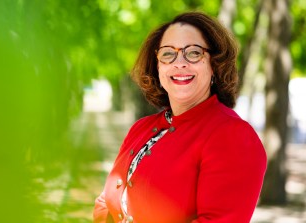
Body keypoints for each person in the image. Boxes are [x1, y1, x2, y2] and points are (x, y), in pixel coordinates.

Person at [93, 11, 267, 223]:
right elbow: (106, 200)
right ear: (157, 66)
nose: (179, 63)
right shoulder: (141, 128)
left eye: (194, 53)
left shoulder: (233, 135)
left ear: (215, 64)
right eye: (168, 54)